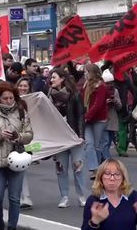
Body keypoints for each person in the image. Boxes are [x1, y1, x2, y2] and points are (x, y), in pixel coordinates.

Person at [0, 82, 33, 230]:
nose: (9, 101)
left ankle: (12, 227)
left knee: (14, 199)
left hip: (17, 160)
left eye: (11, 98)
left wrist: (18, 137)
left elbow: (29, 135)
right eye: (5, 98)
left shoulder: (21, 112)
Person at [48, 68, 86, 208]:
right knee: (61, 168)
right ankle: (64, 196)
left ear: (62, 79)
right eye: (51, 77)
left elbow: (80, 116)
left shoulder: (74, 95)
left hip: (74, 137)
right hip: (59, 138)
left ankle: (81, 196)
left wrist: (81, 135)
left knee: (78, 167)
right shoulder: (49, 96)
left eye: (54, 77)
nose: (51, 80)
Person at [81, 158, 137, 230]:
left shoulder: (133, 197)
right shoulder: (93, 201)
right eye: (107, 174)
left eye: (117, 174)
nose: (112, 178)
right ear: (100, 177)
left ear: (123, 178)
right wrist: (94, 221)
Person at [82, 64, 108, 180]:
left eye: (86, 72)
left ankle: (96, 169)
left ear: (91, 73)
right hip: (87, 120)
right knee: (89, 144)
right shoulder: (85, 85)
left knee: (97, 146)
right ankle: (94, 168)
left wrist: (87, 116)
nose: (84, 74)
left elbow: (98, 104)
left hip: (99, 119)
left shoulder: (101, 86)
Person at [14, 77, 34, 209]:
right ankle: (20, 197)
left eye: (25, 86)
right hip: (16, 138)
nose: (22, 88)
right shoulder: (12, 102)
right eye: (20, 85)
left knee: (21, 168)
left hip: (28, 137)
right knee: (17, 168)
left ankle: (25, 197)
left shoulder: (36, 100)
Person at [100, 69, 121, 162]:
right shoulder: (100, 90)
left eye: (111, 83)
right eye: (107, 83)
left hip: (112, 119)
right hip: (103, 119)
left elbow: (120, 106)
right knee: (105, 141)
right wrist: (105, 102)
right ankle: (107, 160)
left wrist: (115, 101)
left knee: (108, 142)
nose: (109, 85)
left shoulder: (115, 91)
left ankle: (103, 157)